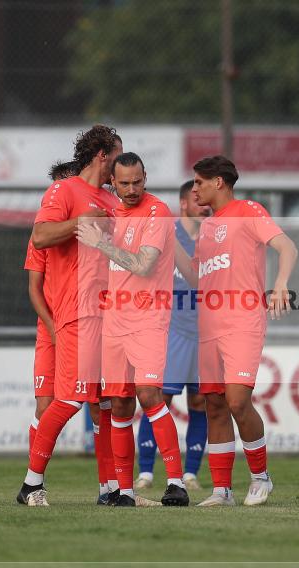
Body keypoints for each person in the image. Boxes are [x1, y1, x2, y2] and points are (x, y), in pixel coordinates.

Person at [175, 155, 298, 507]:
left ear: (219, 182)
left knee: (237, 400)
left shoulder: (249, 210)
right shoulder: (207, 228)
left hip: (242, 322)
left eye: (199, 182)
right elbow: (200, 278)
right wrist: (172, 250)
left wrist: (281, 284)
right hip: (208, 326)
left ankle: (261, 477)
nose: (194, 188)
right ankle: (221, 491)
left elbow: (287, 246)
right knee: (213, 404)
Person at [16, 125, 123, 507]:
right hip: (74, 312)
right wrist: (79, 225)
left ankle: (110, 489)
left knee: (104, 402)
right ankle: (31, 484)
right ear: (102, 155)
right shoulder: (63, 191)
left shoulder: (111, 203)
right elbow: (41, 236)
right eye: (117, 157)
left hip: (107, 316)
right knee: (67, 401)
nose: (120, 169)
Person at [76, 152, 190, 507]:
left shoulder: (157, 211)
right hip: (114, 320)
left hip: (148, 319)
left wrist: (101, 243)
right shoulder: (111, 210)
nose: (130, 189)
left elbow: (143, 265)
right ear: (113, 182)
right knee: (120, 405)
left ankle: (176, 483)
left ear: (146, 177)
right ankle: (124, 491)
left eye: (137, 181)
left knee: (149, 394)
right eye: (123, 183)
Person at [135, 179, 210, 492]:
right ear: (183, 204)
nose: (204, 205)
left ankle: (191, 473)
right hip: (172, 330)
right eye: (197, 200)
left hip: (205, 332)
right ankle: (147, 472)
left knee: (201, 401)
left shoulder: (215, 237)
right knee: (158, 397)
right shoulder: (168, 233)